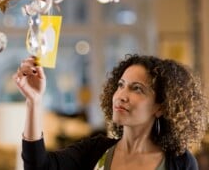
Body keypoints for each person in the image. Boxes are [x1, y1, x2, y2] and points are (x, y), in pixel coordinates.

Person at [13, 54, 209, 170]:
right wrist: (33, 101)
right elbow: (38, 167)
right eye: (121, 85)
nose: (121, 95)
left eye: (137, 88)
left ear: (161, 107)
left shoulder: (179, 163)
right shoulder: (96, 150)